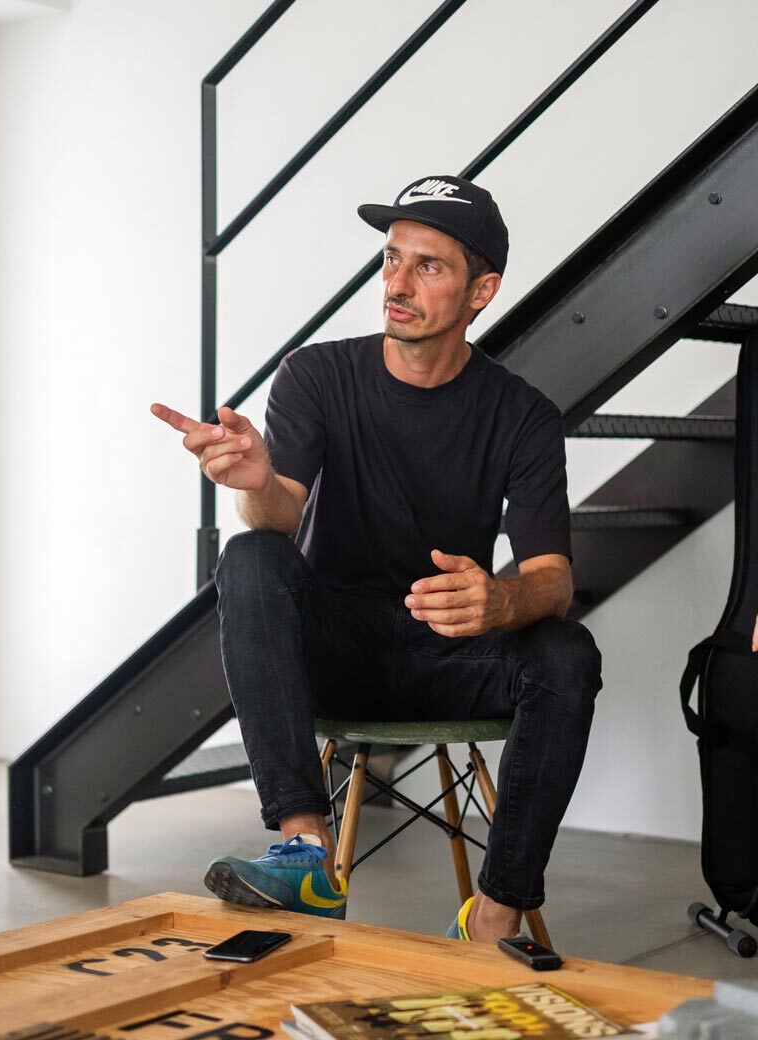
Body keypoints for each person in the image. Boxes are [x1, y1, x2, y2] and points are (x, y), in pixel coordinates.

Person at [150, 174, 606, 944]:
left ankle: (494, 915)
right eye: (392, 258)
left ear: (482, 290)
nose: (396, 283)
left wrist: (500, 602)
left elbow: (551, 581)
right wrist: (257, 483)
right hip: (338, 651)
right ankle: (305, 851)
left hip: (451, 653)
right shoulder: (316, 375)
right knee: (251, 555)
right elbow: (280, 513)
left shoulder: (522, 415)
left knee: (567, 651)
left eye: (428, 266)